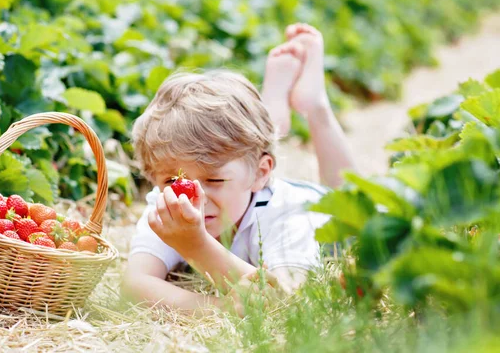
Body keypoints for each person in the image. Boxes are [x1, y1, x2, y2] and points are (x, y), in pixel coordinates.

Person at [121, 23, 356, 314]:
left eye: (214, 179)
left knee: (351, 201)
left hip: (331, 216)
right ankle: (273, 111)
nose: (195, 197)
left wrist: (197, 245)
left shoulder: (287, 216)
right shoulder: (168, 206)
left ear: (261, 174)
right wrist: (215, 307)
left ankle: (315, 104)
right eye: (173, 180)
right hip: (249, 170)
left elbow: (288, 299)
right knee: (244, 145)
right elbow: (134, 284)